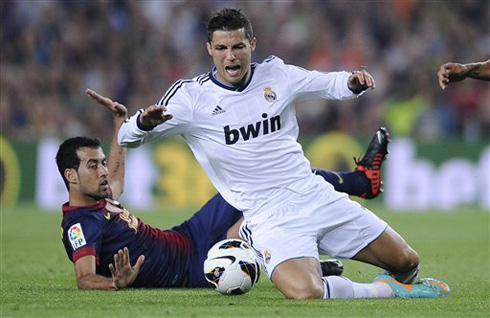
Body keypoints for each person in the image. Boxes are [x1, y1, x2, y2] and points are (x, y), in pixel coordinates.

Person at [116, 8, 450, 299]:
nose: (230, 56)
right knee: (305, 292)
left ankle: (389, 279)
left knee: (407, 262)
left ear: (252, 45)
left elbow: (324, 83)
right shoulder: (190, 98)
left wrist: (352, 83)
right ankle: (386, 291)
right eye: (221, 48)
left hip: (313, 193)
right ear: (209, 50)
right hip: (267, 216)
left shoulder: (275, 73)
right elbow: (125, 136)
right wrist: (143, 123)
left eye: (237, 47)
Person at [58, 89, 388, 290]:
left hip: (187, 236)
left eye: (101, 162)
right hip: (191, 268)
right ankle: (303, 261)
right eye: (93, 166)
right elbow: (84, 277)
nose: (103, 171)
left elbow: (115, 179)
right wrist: (113, 283)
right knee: (258, 217)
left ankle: (360, 182)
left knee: (268, 178)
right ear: (71, 177)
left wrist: (120, 122)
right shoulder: (80, 224)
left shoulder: (100, 201)